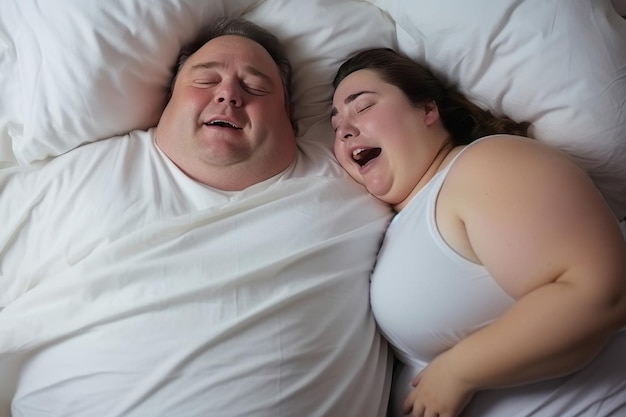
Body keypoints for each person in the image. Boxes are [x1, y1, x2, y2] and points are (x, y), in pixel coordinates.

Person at [0, 19, 393, 416]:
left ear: (289, 113)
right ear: (169, 98)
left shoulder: (354, 174)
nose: (228, 94)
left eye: (255, 87)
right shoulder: (80, 177)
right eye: (205, 80)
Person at [330, 47, 626, 417]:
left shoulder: (485, 166)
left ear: (427, 110)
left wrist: (458, 372)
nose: (344, 129)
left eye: (363, 106)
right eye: (335, 123)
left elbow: (598, 293)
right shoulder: (399, 224)